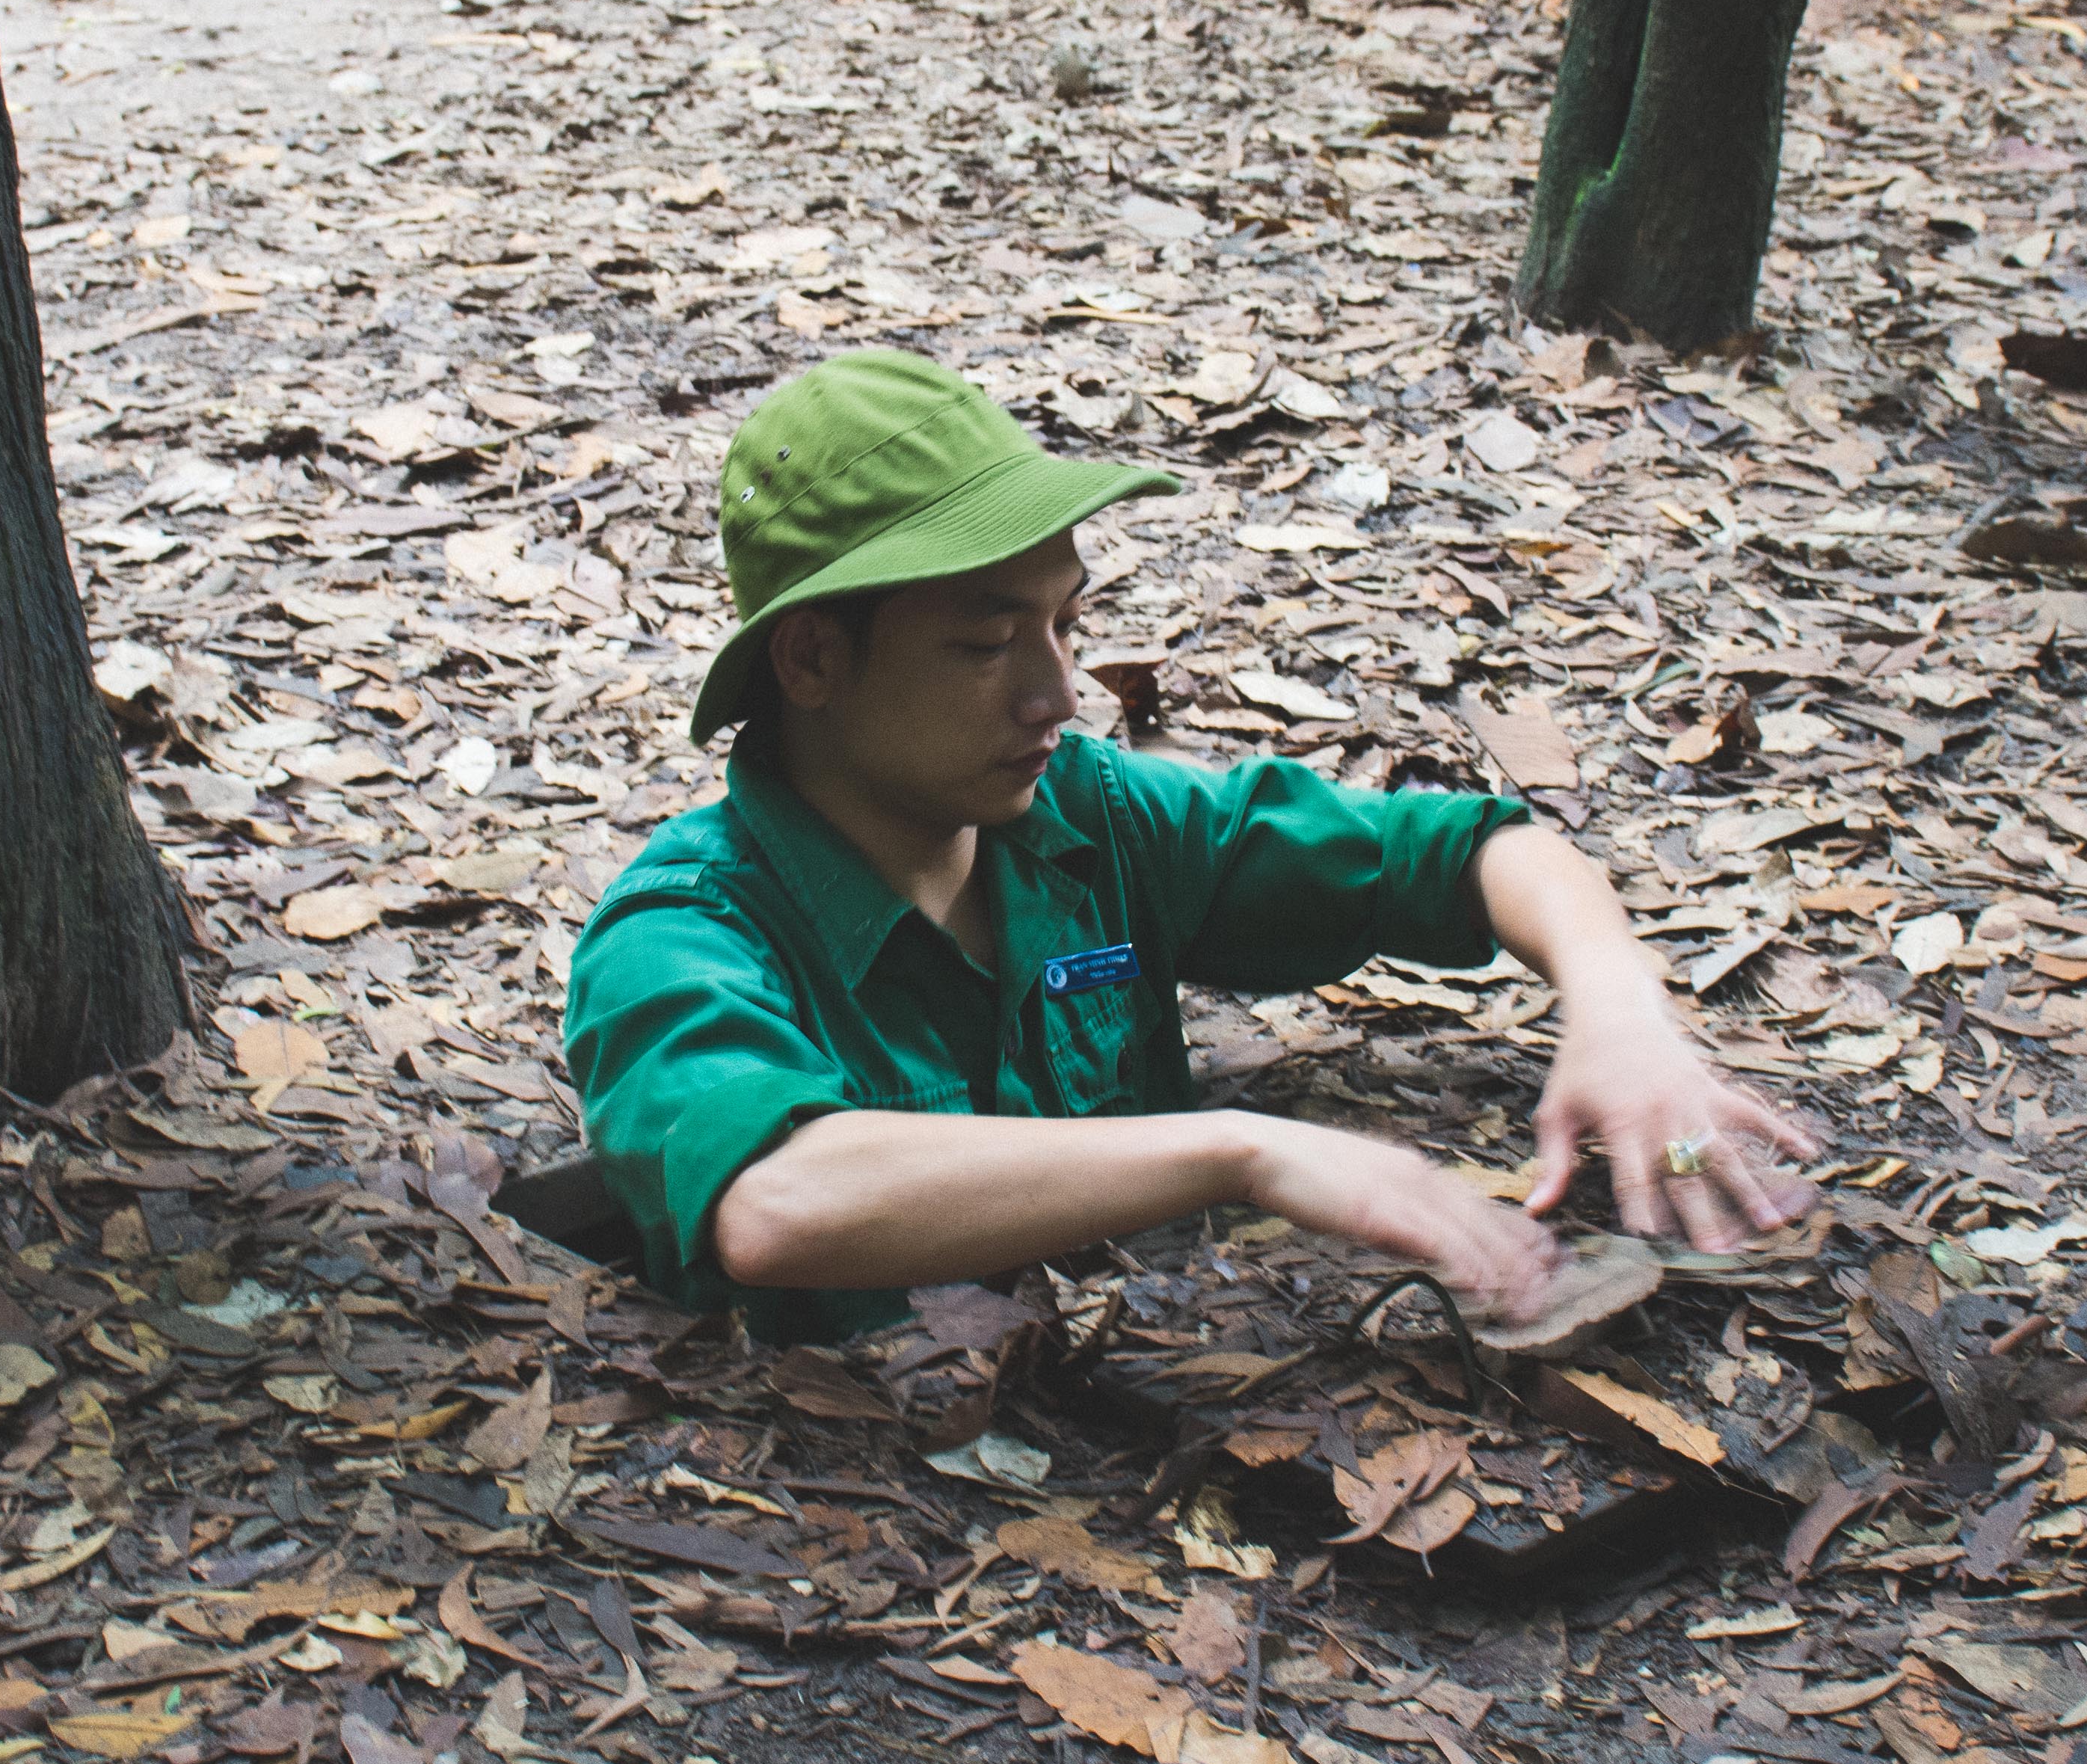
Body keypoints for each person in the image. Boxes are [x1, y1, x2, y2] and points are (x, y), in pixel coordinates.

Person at [562, 348, 1818, 1344]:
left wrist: (1622, 1016)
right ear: (814, 659)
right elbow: (780, 1203)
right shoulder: (683, 934)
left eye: (1067, 624)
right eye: (987, 645)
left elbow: (1474, 854)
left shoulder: (1089, 819)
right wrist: (1241, 1154)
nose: (1057, 696)